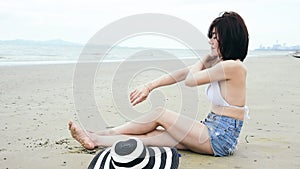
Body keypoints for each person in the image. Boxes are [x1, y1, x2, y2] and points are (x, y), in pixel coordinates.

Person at [69, 11, 249, 157]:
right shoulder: (222, 65)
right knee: (153, 137)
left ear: (229, 37)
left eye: (215, 36)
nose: (210, 40)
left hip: (218, 138)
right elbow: (182, 74)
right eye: (211, 35)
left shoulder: (233, 67)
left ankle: (105, 133)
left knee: (159, 113)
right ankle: (95, 140)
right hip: (210, 130)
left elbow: (190, 80)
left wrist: (204, 60)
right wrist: (150, 86)